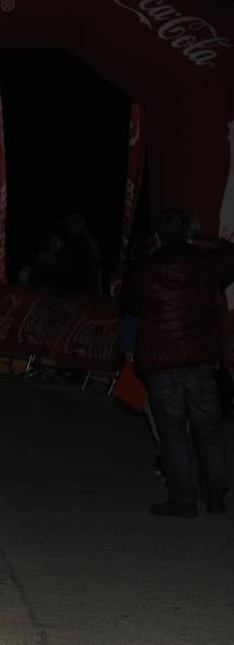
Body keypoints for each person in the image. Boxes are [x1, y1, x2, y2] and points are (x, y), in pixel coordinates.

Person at [120, 208, 232, 518]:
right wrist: (194, 241)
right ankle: (215, 497)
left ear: (157, 235)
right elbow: (229, 252)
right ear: (187, 233)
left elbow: (128, 304)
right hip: (200, 360)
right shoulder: (206, 262)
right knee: (208, 430)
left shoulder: (146, 268)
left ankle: (183, 500)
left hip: (162, 361)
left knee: (172, 433)